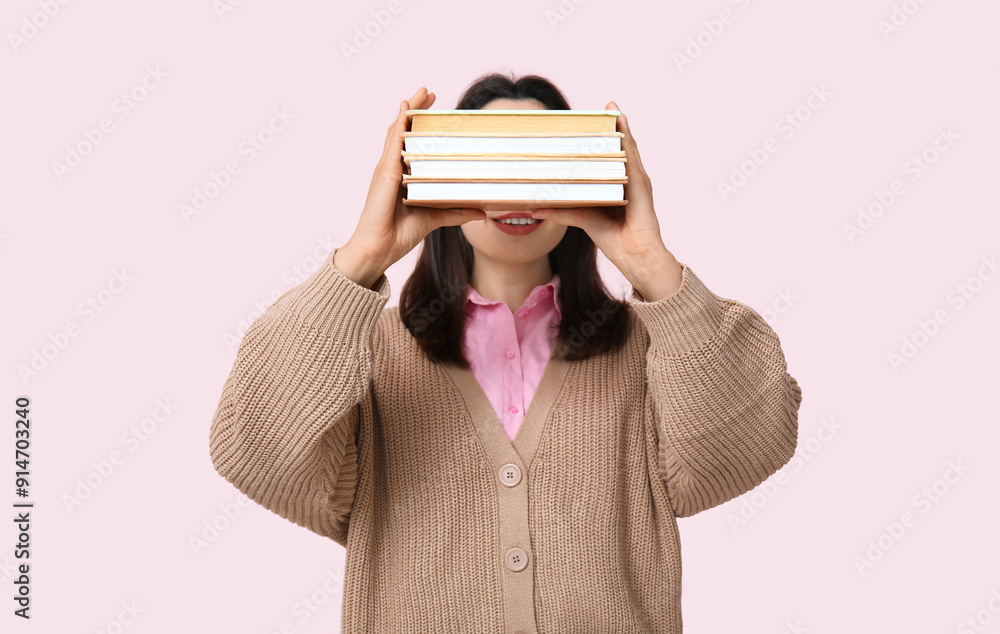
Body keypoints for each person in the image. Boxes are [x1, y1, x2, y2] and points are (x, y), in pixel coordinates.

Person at [209, 71, 803, 633]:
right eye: (493, 161)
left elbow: (751, 446)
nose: (518, 190)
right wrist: (364, 255)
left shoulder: (656, 350)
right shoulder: (361, 355)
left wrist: (651, 265)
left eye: (541, 161)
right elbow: (257, 454)